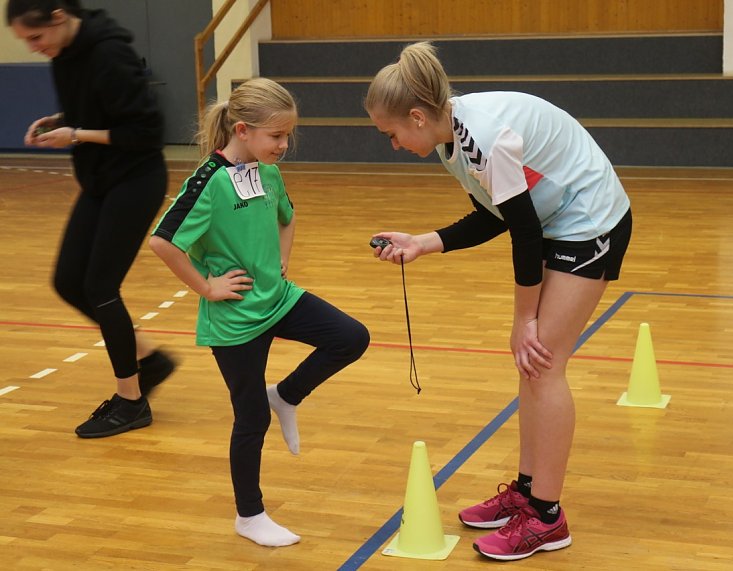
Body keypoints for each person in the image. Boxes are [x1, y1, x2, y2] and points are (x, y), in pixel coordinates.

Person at [365, 41, 632, 561]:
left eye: (390, 132)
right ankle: (528, 493)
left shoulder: (482, 138)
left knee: (542, 361)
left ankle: (547, 518)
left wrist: (523, 319)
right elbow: (496, 214)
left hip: (590, 222)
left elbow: (525, 233)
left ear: (416, 117)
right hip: (559, 221)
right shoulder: (451, 138)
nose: (392, 143)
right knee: (533, 366)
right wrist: (423, 242)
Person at [149, 77, 370, 547]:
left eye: (288, 135)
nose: (284, 145)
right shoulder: (207, 182)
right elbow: (162, 243)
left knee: (351, 337)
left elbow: (286, 217)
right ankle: (249, 516)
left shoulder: (268, 171)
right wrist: (207, 286)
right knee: (250, 420)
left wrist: (282, 260)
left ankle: (286, 394)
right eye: (277, 136)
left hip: (279, 299)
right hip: (235, 320)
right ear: (243, 129)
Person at [7, 0, 176, 438]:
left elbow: (147, 131)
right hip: (101, 180)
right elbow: (101, 107)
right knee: (68, 281)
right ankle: (150, 361)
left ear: (59, 18)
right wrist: (61, 121)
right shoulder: (65, 53)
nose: (33, 47)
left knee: (100, 287)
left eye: (35, 37)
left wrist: (77, 133)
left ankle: (131, 401)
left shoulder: (109, 53)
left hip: (136, 179)